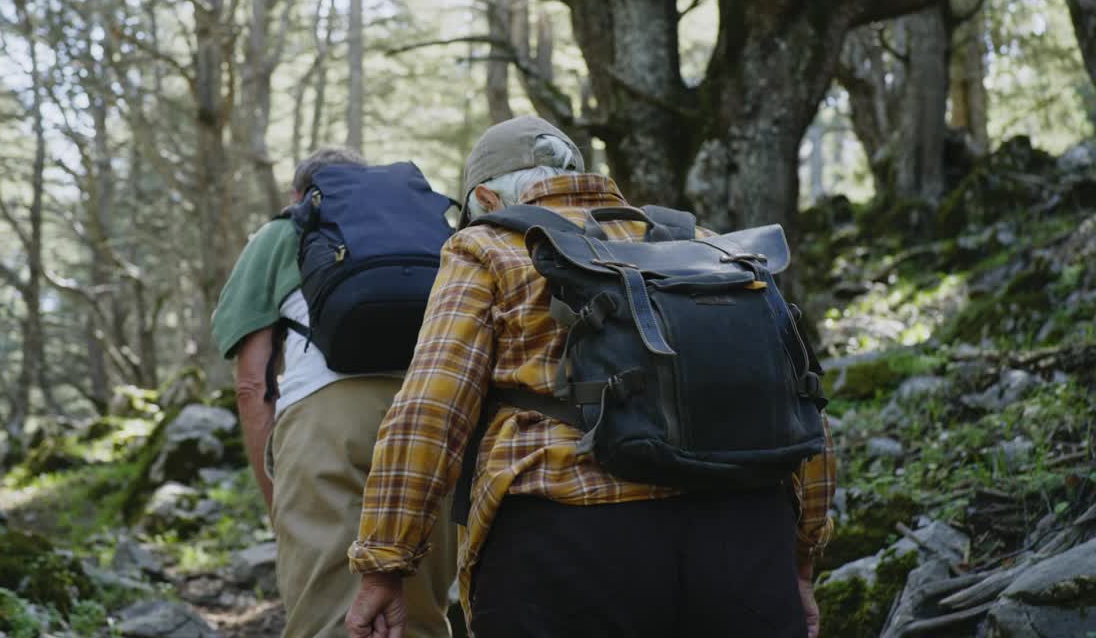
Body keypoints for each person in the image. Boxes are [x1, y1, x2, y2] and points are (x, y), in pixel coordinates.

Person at [345, 116, 836, 638]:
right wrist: (802, 556)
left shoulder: (487, 247)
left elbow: (431, 409)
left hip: (567, 545)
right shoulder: (707, 244)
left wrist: (384, 562)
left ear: (485, 198)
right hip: (744, 536)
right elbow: (797, 402)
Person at [213, 147, 456, 638]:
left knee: (330, 619)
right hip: (432, 418)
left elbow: (251, 384)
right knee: (421, 617)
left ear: (301, 196)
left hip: (327, 422)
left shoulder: (282, 234)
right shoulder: (425, 233)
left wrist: (277, 503)